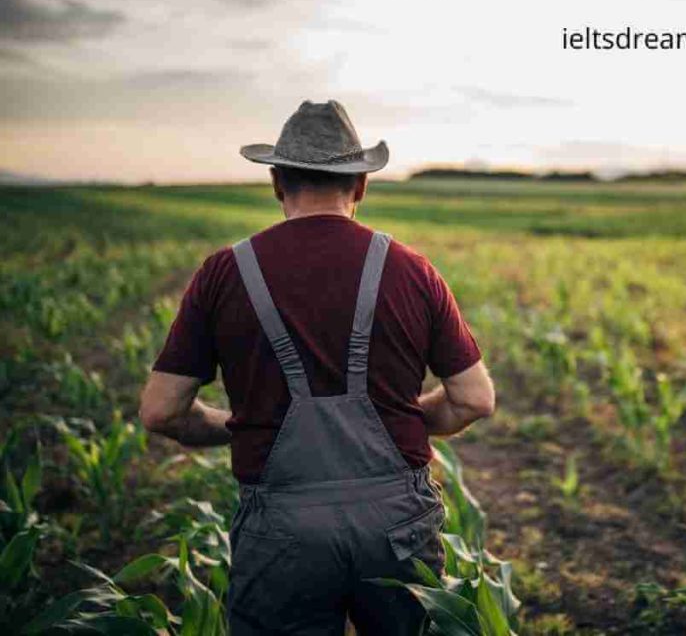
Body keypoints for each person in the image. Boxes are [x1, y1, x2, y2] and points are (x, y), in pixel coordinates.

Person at [139, 100, 496, 634]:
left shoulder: (225, 273)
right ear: (360, 185)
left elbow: (162, 411)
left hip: (282, 525)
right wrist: (400, 418)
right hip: (396, 522)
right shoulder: (412, 270)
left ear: (277, 182)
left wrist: (233, 428)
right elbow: (473, 399)